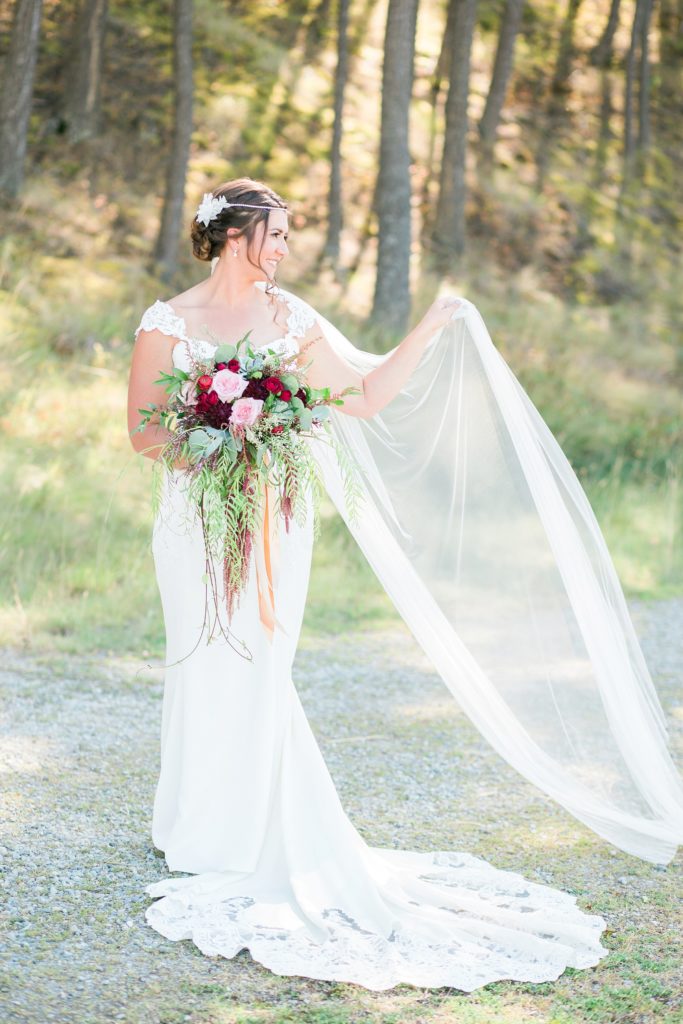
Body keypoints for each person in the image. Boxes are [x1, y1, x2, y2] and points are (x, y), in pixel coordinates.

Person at [127, 177, 681, 991]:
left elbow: (361, 394)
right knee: (200, 656)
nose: (284, 249)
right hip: (196, 519)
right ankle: (191, 825)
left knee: (261, 661)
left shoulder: (292, 318)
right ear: (232, 235)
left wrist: (428, 326)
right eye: (273, 235)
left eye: (286, 236)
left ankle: (241, 831)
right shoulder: (166, 322)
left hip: (279, 518)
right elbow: (143, 432)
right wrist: (221, 449)